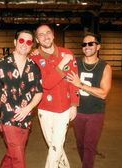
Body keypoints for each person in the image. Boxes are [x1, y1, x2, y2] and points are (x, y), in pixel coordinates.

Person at [0, 29, 43, 168]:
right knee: (19, 159)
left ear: (32, 46)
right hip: (7, 117)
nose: (24, 44)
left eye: (28, 42)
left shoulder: (34, 68)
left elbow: (39, 92)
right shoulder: (1, 63)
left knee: (13, 154)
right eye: (21, 40)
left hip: (26, 118)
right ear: (15, 42)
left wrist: (28, 109)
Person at [30, 24, 79, 168]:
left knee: (56, 145)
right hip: (44, 109)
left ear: (53, 34)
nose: (46, 36)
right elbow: (46, 83)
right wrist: (63, 63)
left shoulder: (66, 52)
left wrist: (74, 105)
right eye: (41, 34)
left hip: (64, 108)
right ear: (37, 40)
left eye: (48, 32)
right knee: (54, 146)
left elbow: (73, 81)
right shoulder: (34, 59)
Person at [67, 33, 112, 168]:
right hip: (77, 112)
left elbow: (103, 93)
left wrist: (80, 84)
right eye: (84, 44)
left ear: (98, 46)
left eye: (90, 44)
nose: (87, 47)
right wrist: (37, 52)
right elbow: (54, 61)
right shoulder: (75, 63)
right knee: (80, 145)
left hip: (95, 113)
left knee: (89, 146)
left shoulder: (105, 67)